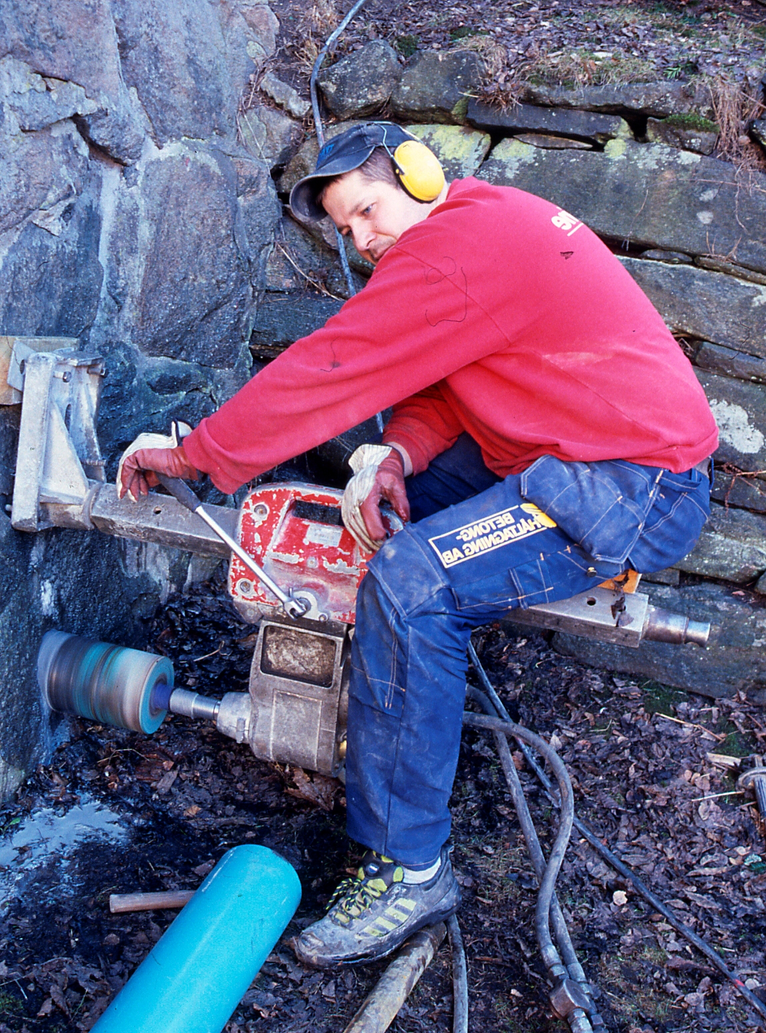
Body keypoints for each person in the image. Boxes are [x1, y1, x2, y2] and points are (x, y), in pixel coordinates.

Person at [118, 122, 718, 968]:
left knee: (412, 579)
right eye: (347, 229)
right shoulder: (477, 229)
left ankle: (408, 866)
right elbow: (450, 380)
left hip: (629, 484)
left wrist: (195, 455)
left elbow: (330, 370)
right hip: (551, 449)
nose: (361, 240)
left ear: (420, 174)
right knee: (381, 523)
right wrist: (400, 454)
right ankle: (365, 714)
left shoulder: (460, 245)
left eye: (367, 211)